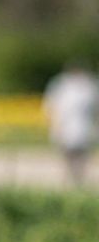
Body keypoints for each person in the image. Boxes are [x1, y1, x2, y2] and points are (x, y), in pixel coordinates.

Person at [44, 60, 98, 188]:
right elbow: (51, 107)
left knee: (82, 157)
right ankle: (70, 181)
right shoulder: (61, 85)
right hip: (66, 126)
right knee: (67, 156)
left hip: (84, 127)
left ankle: (78, 180)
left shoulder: (89, 86)